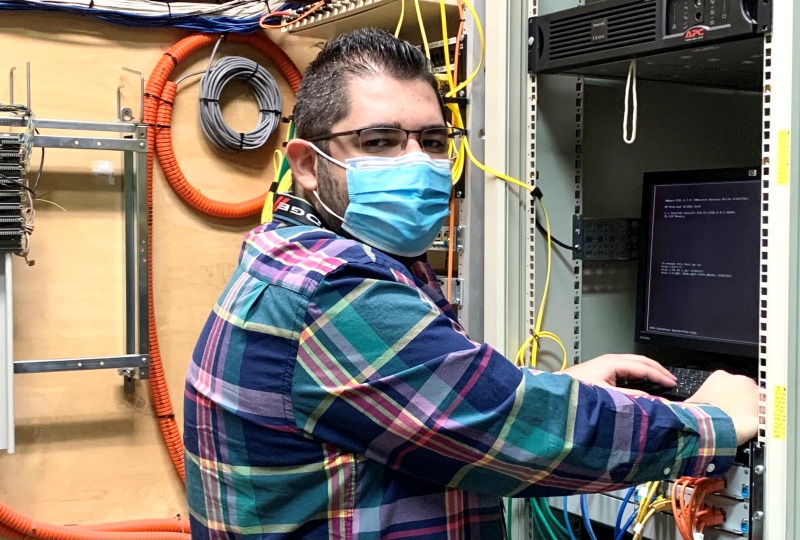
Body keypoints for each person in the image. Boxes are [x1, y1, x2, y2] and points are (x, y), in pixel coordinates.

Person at [184, 28, 759, 539]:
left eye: (433, 142)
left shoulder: (299, 258)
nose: (418, 161)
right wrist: (712, 423)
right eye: (380, 142)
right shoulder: (330, 288)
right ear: (308, 165)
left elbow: (436, 406)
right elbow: (504, 433)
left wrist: (547, 386)